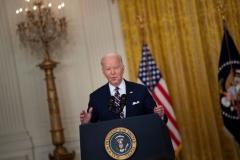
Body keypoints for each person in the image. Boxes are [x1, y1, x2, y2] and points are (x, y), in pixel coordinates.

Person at [80, 53, 168, 124]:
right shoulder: (96, 97)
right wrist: (86, 123)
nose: (112, 72)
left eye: (116, 67)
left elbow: (156, 117)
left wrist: (159, 115)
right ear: (104, 73)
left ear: (123, 69)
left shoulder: (140, 91)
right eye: (108, 69)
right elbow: (92, 128)